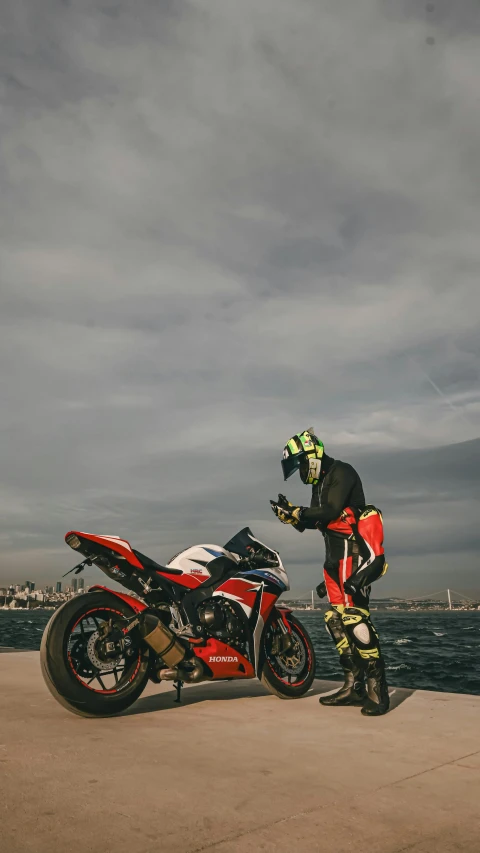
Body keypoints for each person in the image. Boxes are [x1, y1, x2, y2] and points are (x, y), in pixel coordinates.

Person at [270, 428, 390, 716]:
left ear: (312, 456)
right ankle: (353, 686)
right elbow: (317, 521)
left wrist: (298, 513)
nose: (300, 471)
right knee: (335, 621)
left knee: (356, 621)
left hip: (354, 556)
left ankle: (378, 690)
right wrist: (292, 517)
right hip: (333, 560)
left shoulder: (342, 472)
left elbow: (332, 510)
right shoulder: (319, 484)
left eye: (300, 464)